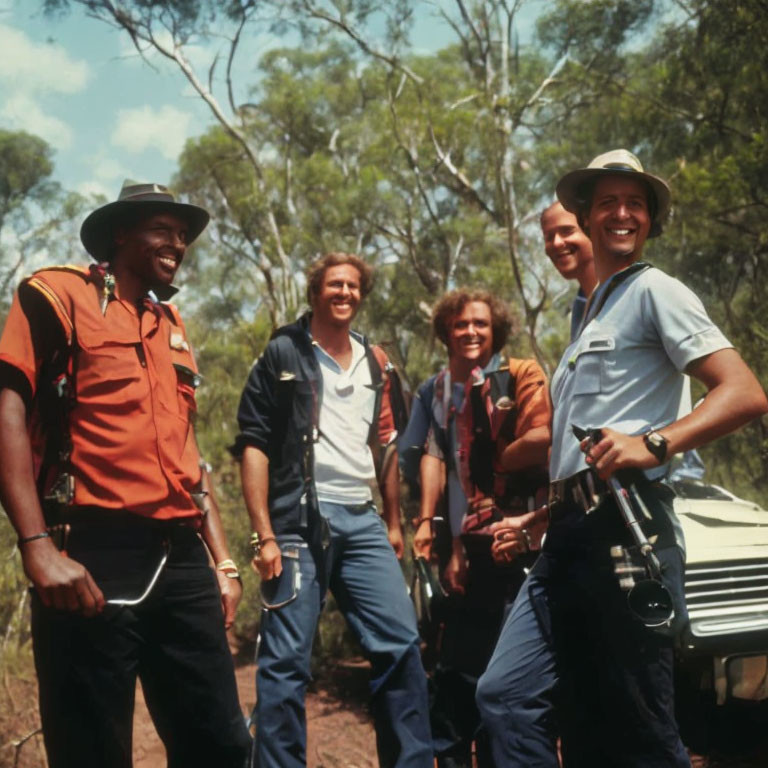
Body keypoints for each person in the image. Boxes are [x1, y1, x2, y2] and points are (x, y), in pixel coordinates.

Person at [476, 148, 768, 767]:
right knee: (509, 698)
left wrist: (655, 442)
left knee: (638, 722)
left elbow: (744, 392)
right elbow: (578, 449)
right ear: (585, 214)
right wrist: (540, 519)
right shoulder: (587, 319)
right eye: (607, 201)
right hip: (567, 538)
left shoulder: (655, 290)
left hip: (630, 532)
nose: (622, 213)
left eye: (635, 203)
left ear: (650, 220)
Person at [0, 181, 251, 768]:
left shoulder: (172, 326)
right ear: (120, 233)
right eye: (164, 229)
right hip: (89, 553)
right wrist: (37, 548)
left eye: (184, 235)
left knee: (221, 744)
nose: (178, 243)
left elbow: (189, 454)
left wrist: (223, 561)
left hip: (183, 558)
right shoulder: (57, 294)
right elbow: (7, 406)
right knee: (93, 750)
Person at [232, 252, 432, 768]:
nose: (344, 293)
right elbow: (252, 444)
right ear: (315, 292)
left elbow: (384, 445)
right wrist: (265, 535)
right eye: (334, 285)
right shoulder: (283, 354)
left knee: (401, 643)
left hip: (361, 519)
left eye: (353, 286)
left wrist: (393, 522)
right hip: (298, 520)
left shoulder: (375, 362)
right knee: (285, 663)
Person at [400, 289, 551, 767]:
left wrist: (501, 462)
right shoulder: (436, 391)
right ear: (446, 330)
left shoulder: (518, 376)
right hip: (463, 545)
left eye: (481, 324)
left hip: (518, 538)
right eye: (461, 324)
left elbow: (546, 441)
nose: (470, 332)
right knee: (455, 673)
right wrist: (431, 527)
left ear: (496, 331)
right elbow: (429, 455)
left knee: (506, 675)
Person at [540, 200, 597, 341]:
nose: (557, 242)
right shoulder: (579, 310)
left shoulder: (636, 292)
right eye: (549, 237)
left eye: (567, 231)